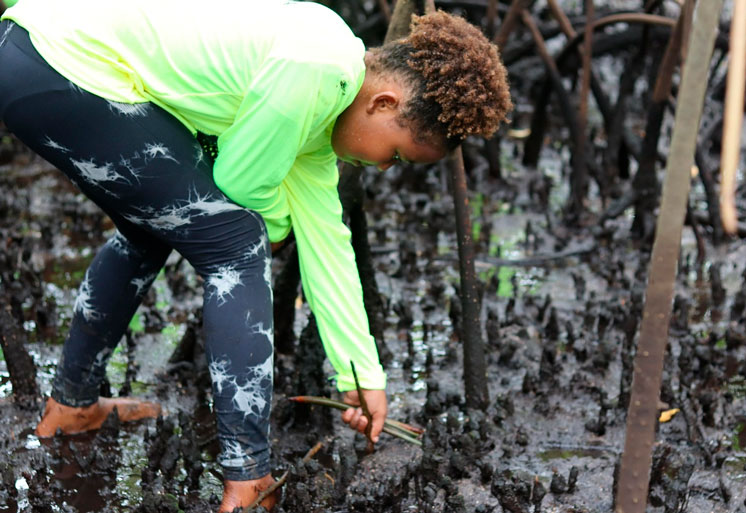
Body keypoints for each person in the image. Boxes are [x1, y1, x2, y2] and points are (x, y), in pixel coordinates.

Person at [0, 0, 512, 510]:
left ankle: (72, 406)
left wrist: (362, 376)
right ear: (384, 103)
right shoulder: (317, 67)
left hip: (34, 53)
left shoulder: (323, 108)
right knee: (238, 244)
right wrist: (280, 222)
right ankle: (248, 483)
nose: (383, 169)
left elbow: (329, 246)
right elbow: (242, 180)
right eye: (397, 154)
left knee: (151, 228)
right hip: (62, 61)